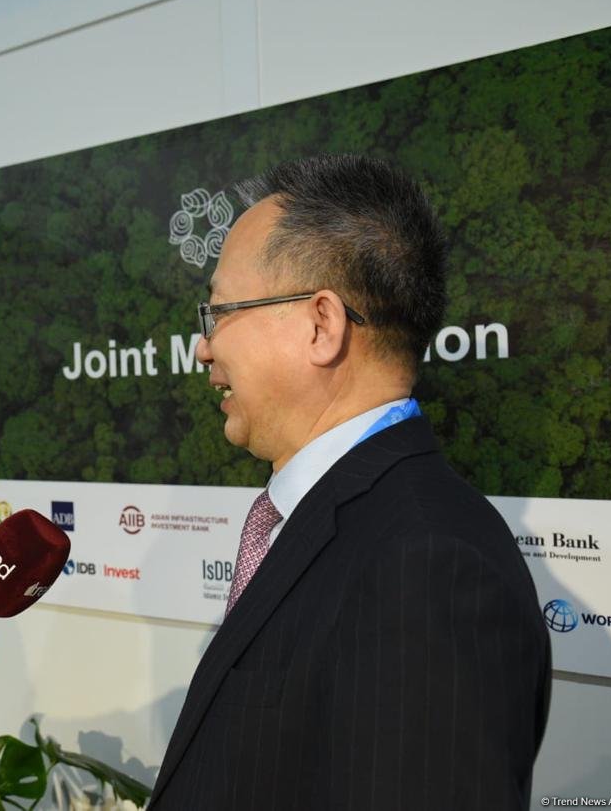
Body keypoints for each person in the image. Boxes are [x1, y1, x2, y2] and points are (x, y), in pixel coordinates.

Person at [149, 155, 550, 809]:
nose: (204, 346)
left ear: (321, 324)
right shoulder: (335, 524)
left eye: (220, 312)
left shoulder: (428, 567)